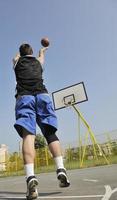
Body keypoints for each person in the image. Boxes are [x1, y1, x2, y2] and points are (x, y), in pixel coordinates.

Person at [13, 43, 70, 200]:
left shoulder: (17, 61)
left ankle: (31, 177)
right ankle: (61, 168)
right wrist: (42, 51)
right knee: (50, 133)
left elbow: (15, 58)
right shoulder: (38, 61)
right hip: (42, 95)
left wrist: (20, 55)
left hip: (25, 97)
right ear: (32, 53)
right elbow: (41, 58)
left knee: (28, 135)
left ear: (21, 54)